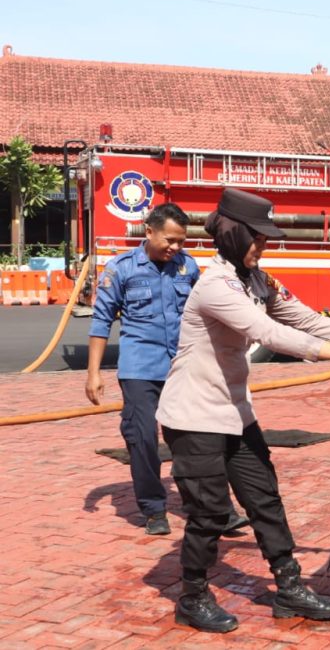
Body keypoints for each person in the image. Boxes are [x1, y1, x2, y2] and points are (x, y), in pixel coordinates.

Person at [155, 188, 330, 633]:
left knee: (265, 500)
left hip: (236, 415)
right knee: (209, 514)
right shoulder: (215, 286)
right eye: (257, 237)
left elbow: (304, 318)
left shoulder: (256, 280)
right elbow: (266, 332)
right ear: (234, 235)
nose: (263, 245)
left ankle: (289, 589)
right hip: (194, 418)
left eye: (266, 238)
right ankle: (192, 598)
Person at [86, 203, 248, 536]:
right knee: (142, 437)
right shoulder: (121, 268)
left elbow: (207, 311)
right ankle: (153, 509)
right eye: (169, 240)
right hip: (140, 368)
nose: (175, 247)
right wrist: (93, 373)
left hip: (183, 365)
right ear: (149, 232)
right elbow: (101, 320)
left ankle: (218, 509)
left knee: (200, 438)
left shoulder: (187, 267)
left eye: (181, 241)